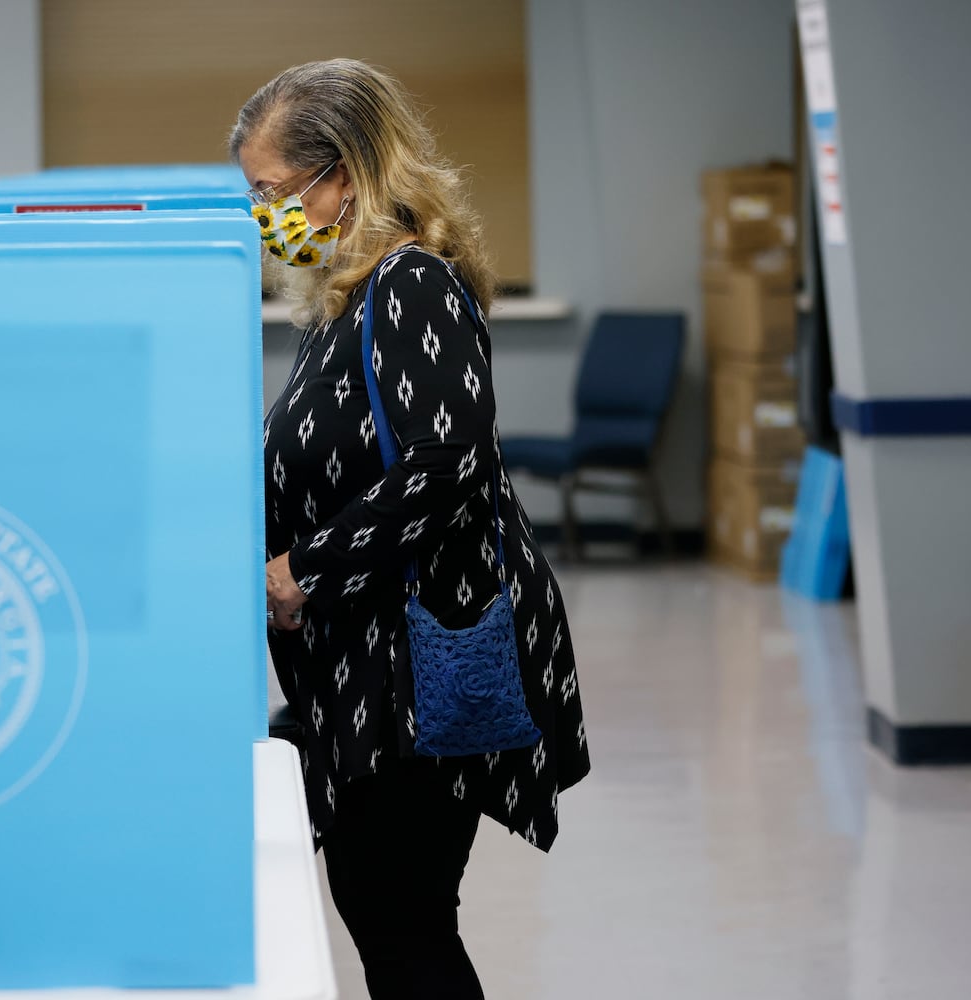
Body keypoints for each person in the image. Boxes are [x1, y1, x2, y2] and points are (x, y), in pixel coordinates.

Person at [231, 59, 590, 999]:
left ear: (339, 174)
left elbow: (450, 461)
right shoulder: (342, 302)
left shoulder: (409, 285)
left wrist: (301, 571)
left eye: (270, 191)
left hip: (415, 672)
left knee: (402, 928)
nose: (262, 214)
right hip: (367, 671)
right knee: (393, 922)